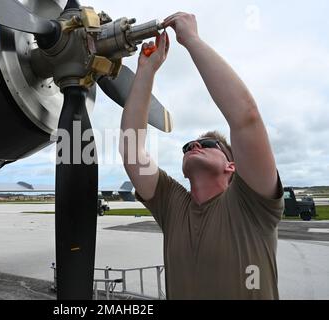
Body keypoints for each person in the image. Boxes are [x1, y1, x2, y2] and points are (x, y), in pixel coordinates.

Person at [119, 12, 284, 300]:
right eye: (187, 146)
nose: (193, 146)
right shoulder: (172, 206)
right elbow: (132, 149)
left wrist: (191, 40)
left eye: (207, 143)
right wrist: (146, 70)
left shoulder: (252, 206)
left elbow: (246, 119)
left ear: (232, 166)